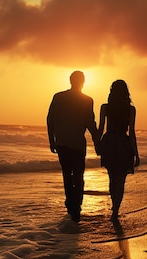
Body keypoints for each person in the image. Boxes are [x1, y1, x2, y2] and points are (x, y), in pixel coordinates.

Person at [47, 70, 99, 222]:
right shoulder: (87, 100)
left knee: (67, 176)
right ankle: (76, 207)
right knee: (78, 176)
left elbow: (50, 119)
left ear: (70, 81)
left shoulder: (59, 97)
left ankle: (71, 205)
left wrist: (52, 140)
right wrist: (98, 140)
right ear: (83, 82)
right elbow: (90, 123)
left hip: (62, 142)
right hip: (76, 144)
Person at [97, 80, 140, 221]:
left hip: (109, 142)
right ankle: (115, 210)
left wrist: (97, 144)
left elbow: (101, 128)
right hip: (122, 143)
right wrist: (136, 153)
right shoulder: (130, 109)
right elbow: (132, 132)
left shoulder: (105, 107)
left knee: (111, 177)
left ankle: (114, 206)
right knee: (120, 179)